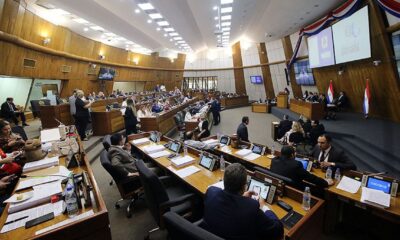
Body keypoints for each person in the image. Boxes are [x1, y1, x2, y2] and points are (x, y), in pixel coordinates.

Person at [202, 163, 283, 240]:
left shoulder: (211, 191)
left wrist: (240, 197)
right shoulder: (251, 207)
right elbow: (277, 231)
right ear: (244, 187)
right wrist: (263, 207)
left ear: (224, 181)